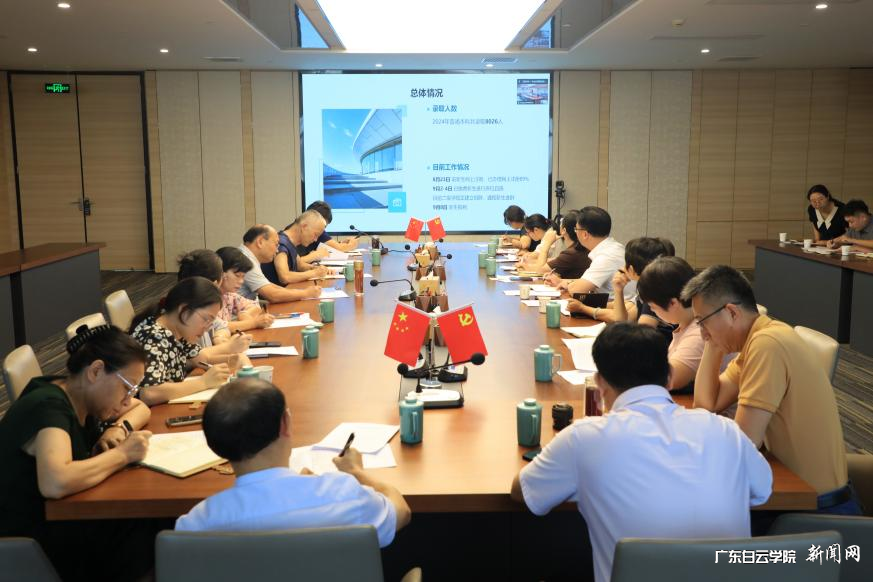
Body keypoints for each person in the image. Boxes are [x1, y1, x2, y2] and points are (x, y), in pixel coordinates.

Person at [511, 323, 772, 582]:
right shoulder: (725, 431)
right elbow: (762, 489)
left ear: (600, 383)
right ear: (669, 377)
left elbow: (523, 492)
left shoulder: (583, 438)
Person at [682, 265, 861, 514]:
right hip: (798, 488)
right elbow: (707, 404)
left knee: (693, 514)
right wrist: (712, 343)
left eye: (702, 322)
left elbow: (745, 442)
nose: (701, 333)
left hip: (816, 507)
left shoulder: (767, 344)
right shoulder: (758, 338)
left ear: (731, 312)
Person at [0, 325, 157, 581]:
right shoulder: (48, 405)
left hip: (61, 520)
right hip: (30, 544)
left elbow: (140, 408)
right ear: (96, 371)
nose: (128, 400)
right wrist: (123, 455)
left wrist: (117, 428)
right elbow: (55, 482)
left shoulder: (77, 393)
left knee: (152, 525)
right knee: (151, 531)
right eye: (127, 387)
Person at [175, 378, 411, 547]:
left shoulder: (194, 525)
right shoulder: (341, 494)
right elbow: (401, 513)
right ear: (285, 424)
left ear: (214, 444)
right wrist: (356, 471)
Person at [130, 276, 231, 406]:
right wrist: (204, 382)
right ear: (184, 310)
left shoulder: (178, 330)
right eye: (206, 319)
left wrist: (233, 360)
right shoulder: (154, 336)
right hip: (151, 412)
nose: (207, 328)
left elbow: (201, 359)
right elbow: (150, 393)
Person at [566, 237, 674, 344]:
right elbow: (622, 320)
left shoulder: (653, 292)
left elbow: (642, 337)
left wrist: (583, 308)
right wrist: (618, 290)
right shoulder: (648, 287)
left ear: (630, 269)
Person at [637, 256, 703, 392]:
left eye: (653, 307)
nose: (653, 312)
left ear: (673, 303)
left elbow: (669, 379)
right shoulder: (688, 321)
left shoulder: (700, 331)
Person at [177, 249, 252, 362]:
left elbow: (220, 325)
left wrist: (219, 337)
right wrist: (228, 348)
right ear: (215, 284)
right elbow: (191, 358)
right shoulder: (189, 312)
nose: (207, 325)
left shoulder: (195, 304)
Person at [546, 206, 625, 297]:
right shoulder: (613, 247)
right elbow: (586, 281)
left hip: (613, 304)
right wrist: (561, 281)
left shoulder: (606, 256)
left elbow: (577, 290)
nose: (575, 232)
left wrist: (566, 284)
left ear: (585, 234)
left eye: (576, 230)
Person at [237, 224, 321, 302]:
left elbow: (269, 286)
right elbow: (272, 295)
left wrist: (300, 292)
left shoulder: (246, 255)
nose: (277, 250)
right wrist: (306, 293)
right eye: (276, 244)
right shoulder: (245, 260)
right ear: (260, 242)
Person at [216, 246, 275, 333]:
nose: (241, 281)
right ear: (222, 273)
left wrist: (244, 314)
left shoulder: (228, 295)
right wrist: (253, 323)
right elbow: (218, 327)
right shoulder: (208, 298)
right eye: (237, 275)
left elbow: (255, 306)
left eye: (243, 276)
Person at [263, 210, 330, 286]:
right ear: (304, 227)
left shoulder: (291, 242)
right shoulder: (281, 243)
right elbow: (284, 277)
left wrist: (318, 269)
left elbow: (300, 265)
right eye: (315, 234)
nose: (315, 239)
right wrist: (314, 273)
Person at [535, 210, 590, 279]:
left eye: (561, 223)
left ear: (563, 230)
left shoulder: (571, 253)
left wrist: (546, 243)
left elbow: (540, 270)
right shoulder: (583, 248)